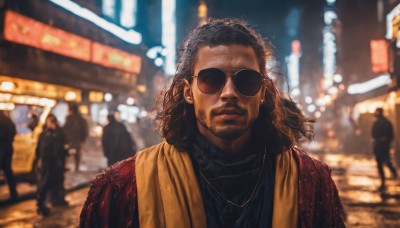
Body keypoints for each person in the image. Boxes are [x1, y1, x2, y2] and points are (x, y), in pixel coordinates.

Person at [80, 18, 344, 227]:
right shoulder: (121, 187)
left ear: (263, 92)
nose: (229, 92)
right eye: (211, 79)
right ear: (187, 91)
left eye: (246, 80)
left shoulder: (310, 182)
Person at [36, 114, 69, 216]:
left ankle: (49, 201)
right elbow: (39, 148)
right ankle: (41, 202)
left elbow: (60, 147)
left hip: (54, 162)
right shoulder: (45, 134)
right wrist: (39, 159)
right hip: (48, 162)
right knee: (46, 182)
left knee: (52, 182)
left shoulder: (56, 133)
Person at [371, 108, 397, 191]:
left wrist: (384, 139)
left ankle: (393, 175)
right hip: (379, 147)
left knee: (385, 163)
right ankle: (383, 181)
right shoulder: (377, 123)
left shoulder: (385, 123)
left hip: (384, 147)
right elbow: (373, 135)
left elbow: (391, 136)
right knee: (381, 164)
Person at [63, 103, 88, 172]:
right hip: (78, 141)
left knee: (66, 153)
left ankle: (65, 166)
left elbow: (65, 129)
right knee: (77, 154)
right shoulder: (82, 119)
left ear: (71, 110)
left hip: (70, 140)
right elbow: (85, 130)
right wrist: (83, 139)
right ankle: (76, 168)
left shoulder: (69, 118)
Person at [0, 110, 18, 201]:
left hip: (2, 148)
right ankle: (14, 193)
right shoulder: (8, 120)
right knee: (8, 171)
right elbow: (14, 132)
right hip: (8, 148)